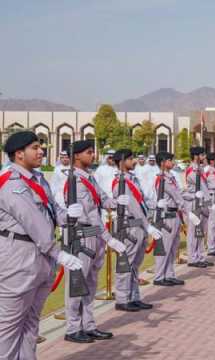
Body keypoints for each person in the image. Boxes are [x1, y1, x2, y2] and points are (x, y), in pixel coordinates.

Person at [0, 131, 83, 359]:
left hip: (40, 258)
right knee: (8, 327)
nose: (41, 151)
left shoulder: (37, 178)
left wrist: (68, 216)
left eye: (40, 147)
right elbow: (32, 221)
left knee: (30, 324)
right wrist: (59, 254)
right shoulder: (11, 183)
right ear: (19, 154)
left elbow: (51, 210)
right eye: (35, 148)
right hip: (19, 258)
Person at [62, 140, 127, 343]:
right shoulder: (75, 180)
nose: (93, 155)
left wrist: (116, 202)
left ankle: (88, 325)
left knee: (90, 283)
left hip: (93, 235)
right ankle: (73, 328)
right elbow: (90, 214)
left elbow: (102, 199)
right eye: (89, 152)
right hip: (81, 235)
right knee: (76, 284)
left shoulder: (89, 177)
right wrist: (109, 238)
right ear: (77, 156)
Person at [112, 149, 163, 312]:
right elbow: (133, 206)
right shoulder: (121, 181)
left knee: (135, 264)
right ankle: (122, 298)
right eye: (130, 159)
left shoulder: (132, 179)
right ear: (121, 162)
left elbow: (142, 200)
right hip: (130, 226)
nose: (133, 161)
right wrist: (147, 224)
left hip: (139, 224)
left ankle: (133, 296)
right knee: (126, 263)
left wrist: (154, 207)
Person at [153, 151, 189, 286]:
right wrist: (187, 211)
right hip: (166, 216)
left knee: (173, 247)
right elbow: (176, 196)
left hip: (174, 215)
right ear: (163, 163)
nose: (172, 162)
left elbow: (179, 193)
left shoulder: (171, 177)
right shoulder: (162, 179)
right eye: (170, 160)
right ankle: (159, 276)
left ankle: (169, 274)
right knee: (165, 247)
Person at [183, 147, 213, 268]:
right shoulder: (192, 170)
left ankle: (200, 256)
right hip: (194, 203)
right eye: (202, 155)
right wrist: (209, 203)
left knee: (200, 232)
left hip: (201, 203)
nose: (204, 158)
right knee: (193, 232)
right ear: (196, 156)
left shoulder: (199, 169)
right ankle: (192, 258)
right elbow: (203, 188)